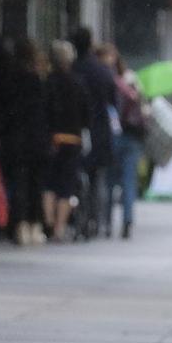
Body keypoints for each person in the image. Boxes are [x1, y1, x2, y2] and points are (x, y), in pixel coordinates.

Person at [0, 41, 50, 246]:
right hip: (36, 141)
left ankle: (19, 225)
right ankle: (34, 225)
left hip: (15, 141)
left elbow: (4, 114)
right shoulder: (38, 83)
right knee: (35, 185)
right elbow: (43, 114)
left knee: (18, 184)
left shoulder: (8, 82)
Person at [69, 28, 117, 239]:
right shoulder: (102, 71)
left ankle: (77, 218)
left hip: (74, 130)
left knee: (75, 178)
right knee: (97, 179)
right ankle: (95, 221)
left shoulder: (72, 70)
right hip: (99, 132)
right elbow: (113, 103)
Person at [42, 40, 89, 242]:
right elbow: (87, 115)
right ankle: (59, 228)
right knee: (66, 186)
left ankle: (48, 223)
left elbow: (43, 111)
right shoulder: (79, 83)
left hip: (51, 139)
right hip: (73, 140)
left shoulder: (47, 83)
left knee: (49, 184)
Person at [102, 45, 144, 239]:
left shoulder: (108, 81)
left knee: (110, 181)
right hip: (133, 137)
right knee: (128, 181)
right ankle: (127, 220)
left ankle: (107, 222)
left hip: (114, 135)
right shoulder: (131, 80)